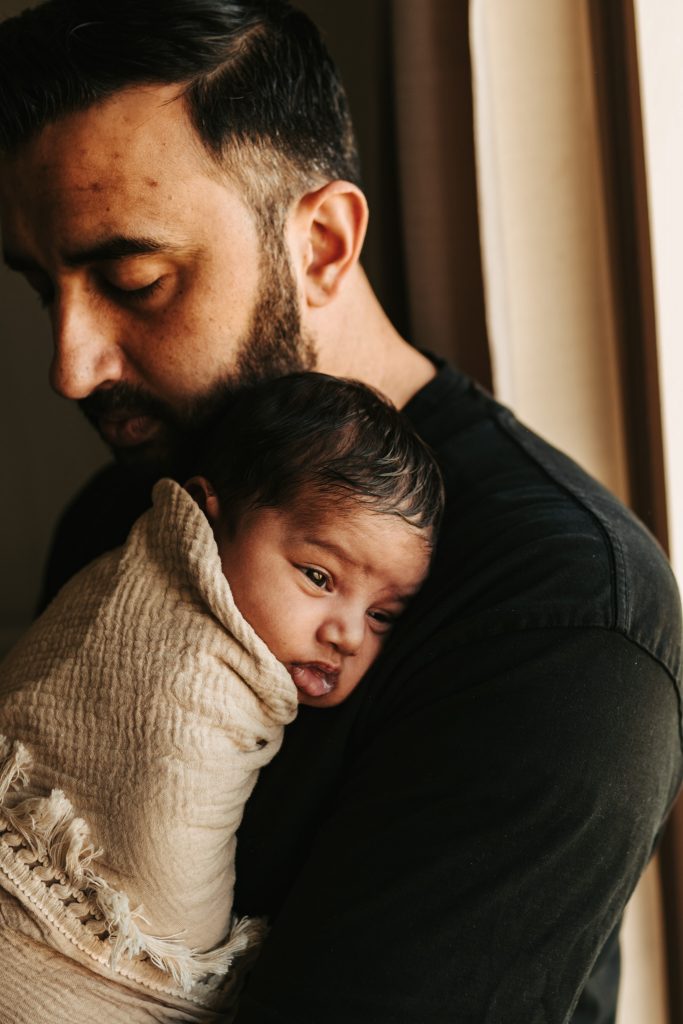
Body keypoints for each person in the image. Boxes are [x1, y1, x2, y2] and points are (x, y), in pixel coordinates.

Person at [0, 2, 680, 1021]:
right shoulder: (128, 514)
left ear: (321, 241)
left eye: (133, 279)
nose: (71, 364)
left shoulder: (561, 614)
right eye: (41, 289)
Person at [0, 372, 443, 1024]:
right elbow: (168, 885)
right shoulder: (185, 666)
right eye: (317, 576)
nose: (346, 633)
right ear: (208, 521)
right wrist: (192, 997)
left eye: (382, 615)